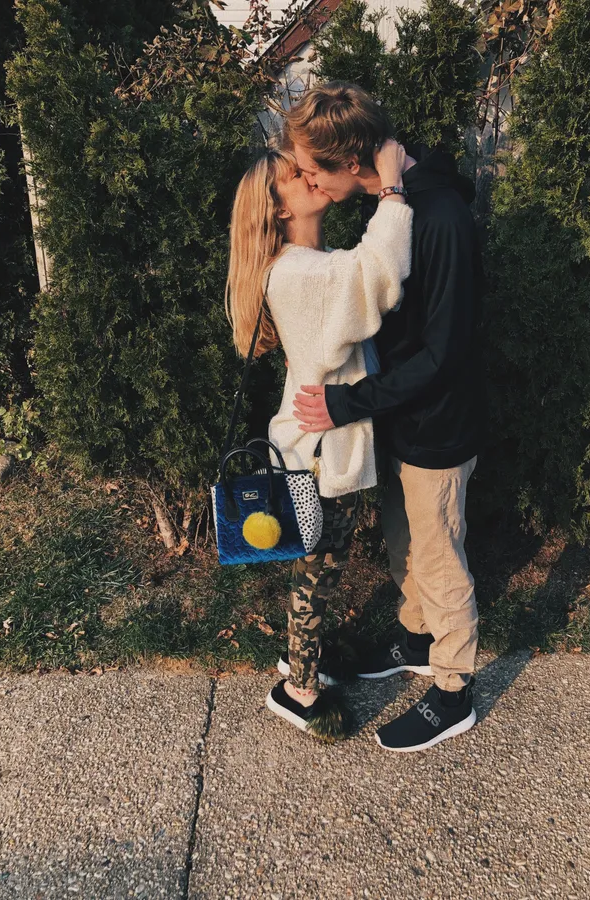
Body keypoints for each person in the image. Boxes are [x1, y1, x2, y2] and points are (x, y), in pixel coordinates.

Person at [285, 81, 487, 753]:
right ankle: (417, 639)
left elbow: (443, 351)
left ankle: (454, 690)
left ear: (351, 161)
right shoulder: (392, 205)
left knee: (440, 558)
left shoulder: (440, 218)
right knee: (406, 544)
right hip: (401, 419)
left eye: (313, 171)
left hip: (438, 426)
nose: (308, 183)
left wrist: (346, 403)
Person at [225, 139, 413, 741]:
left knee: (321, 565)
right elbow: (374, 276)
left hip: (318, 445)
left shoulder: (309, 264)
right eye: (295, 174)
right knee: (317, 572)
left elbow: (351, 280)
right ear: (279, 208)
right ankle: (298, 690)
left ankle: (300, 658)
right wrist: (391, 190)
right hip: (317, 453)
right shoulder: (298, 273)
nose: (310, 175)